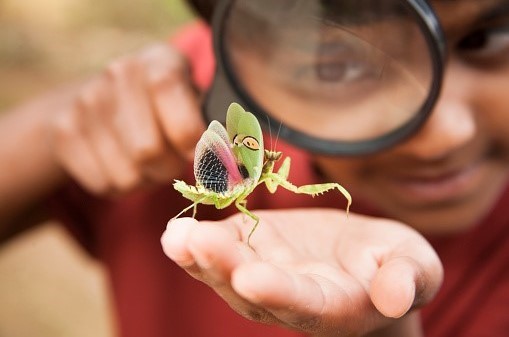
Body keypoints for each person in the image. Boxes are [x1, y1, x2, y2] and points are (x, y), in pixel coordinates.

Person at [1, 0, 508, 336]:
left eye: (488, 37)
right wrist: (55, 129)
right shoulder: (185, 100)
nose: (448, 134)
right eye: (339, 64)